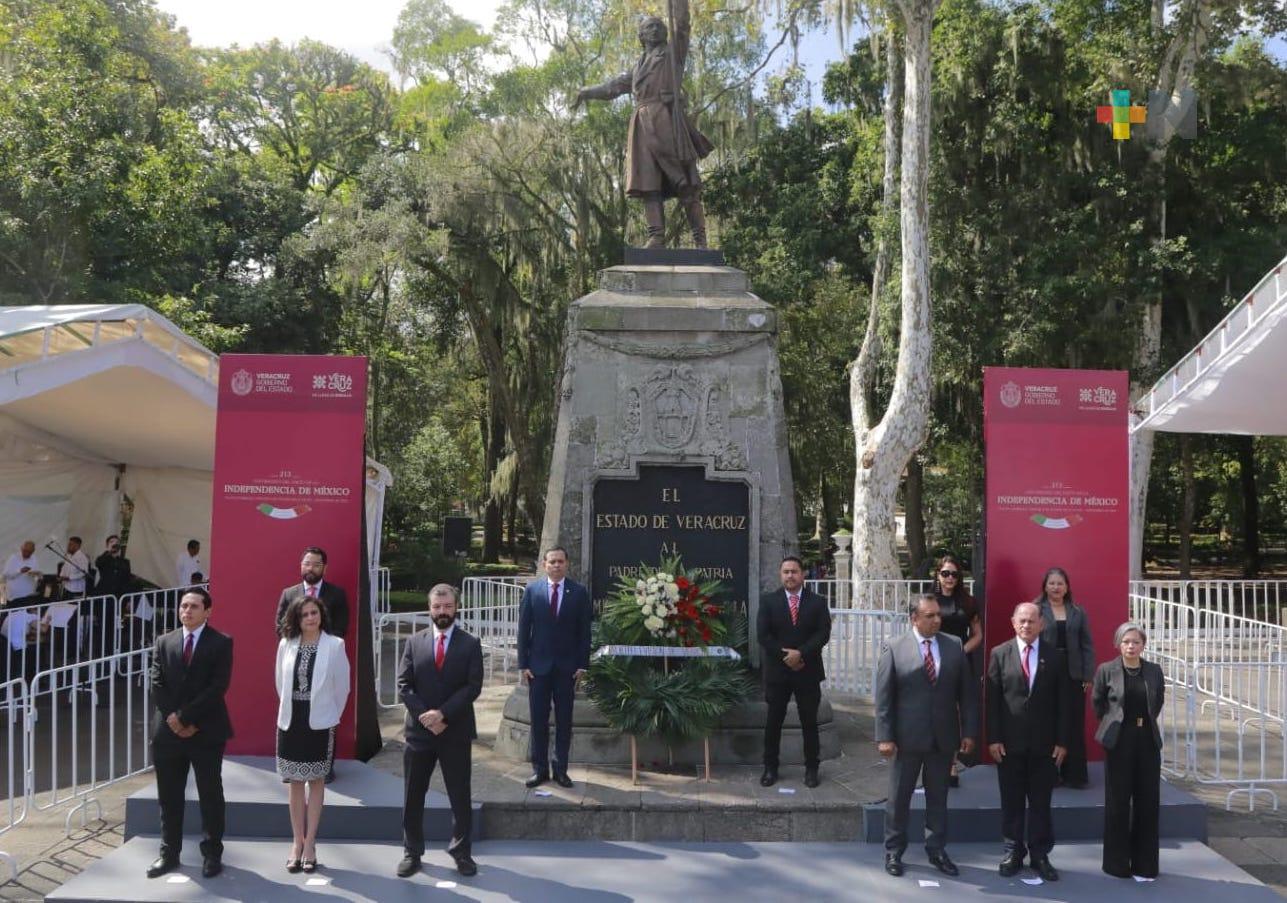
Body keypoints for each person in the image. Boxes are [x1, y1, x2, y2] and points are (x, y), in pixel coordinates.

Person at [572, 0, 714, 248]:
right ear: (641, 35)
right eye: (650, 27)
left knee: (686, 182)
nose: (657, 29)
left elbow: (682, 26)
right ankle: (656, 236)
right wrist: (585, 92)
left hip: (668, 121)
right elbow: (611, 88)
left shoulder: (672, 54)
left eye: (659, 26)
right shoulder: (636, 68)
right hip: (642, 126)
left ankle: (700, 240)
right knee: (649, 183)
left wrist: (679, 4)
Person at [875, 594, 979, 878]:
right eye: (930, 616)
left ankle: (937, 850)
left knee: (938, 798)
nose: (937, 620)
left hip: (942, 739)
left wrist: (969, 731)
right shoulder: (895, 648)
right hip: (906, 740)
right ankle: (894, 851)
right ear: (914, 619)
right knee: (899, 798)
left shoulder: (954, 645)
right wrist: (884, 736)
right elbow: (884, 698)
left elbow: (966, 695)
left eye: (938, 615)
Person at [397, 584, 483, 879]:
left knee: (460, 796)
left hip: (455, 731)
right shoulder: (414, 642)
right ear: (429, 608)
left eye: (447, 607)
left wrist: (443, 714)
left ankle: (462, 852)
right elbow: (404, 685)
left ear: (456, 607)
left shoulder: (471, 643)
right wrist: (426, 716)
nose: (442, 612)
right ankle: (412, 852)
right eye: (436, 607)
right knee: (413, 795)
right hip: (419, 734)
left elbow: (473, 686)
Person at [146, 588, 233, 879]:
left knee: (210, 795)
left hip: (205, 730)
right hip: (168, 734)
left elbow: (217, 686)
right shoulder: (164, 641)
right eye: (183, 606)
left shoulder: (221, 643)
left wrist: (186, 718)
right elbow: (157, 682)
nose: (187, 611)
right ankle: (168, 854)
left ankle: (212, 854)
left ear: (207, 611)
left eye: (194, 606)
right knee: (169, 797)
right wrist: (174, 720)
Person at [987, 601, 1069, 882]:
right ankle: (1013, 851)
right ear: (1013, 622)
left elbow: (1064, 704)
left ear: (1042, 624)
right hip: (1008, 745)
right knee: (1011, 801)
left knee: (1041, 803)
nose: (1026, 625)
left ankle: (1040, 854)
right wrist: (993, 738)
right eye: (1021, 620)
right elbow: (993, 702)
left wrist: (1062, 741)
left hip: (1045, 747)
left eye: (1032, 621)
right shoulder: (999, 654)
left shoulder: (1055, 657)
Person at [275, 595, 350, 874]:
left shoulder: (335, 645)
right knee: (294, 781)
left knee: (316, 780)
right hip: (291, 720)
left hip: (320, 721)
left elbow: (343, 687)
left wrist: (330, 715)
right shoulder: (286, 644)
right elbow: (279, 683)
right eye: (305, 614)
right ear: (297, 617)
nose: (310, 618)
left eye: (314, 613)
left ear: (321, 615)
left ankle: (311, 845)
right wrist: (293, 706)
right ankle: (297, 843)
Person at [1093, 622, 1164, 880]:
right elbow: (1098, 703)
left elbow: (1157, 702)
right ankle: (1116, 864)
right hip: (1119, 741)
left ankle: (1145, 865)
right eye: (1126, 641)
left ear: (1143, 645)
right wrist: (1114, 725)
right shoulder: (1106, 670)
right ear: (1118, 644)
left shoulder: (1154, 671)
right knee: (1118, 802)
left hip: (1147, 740)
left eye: (1136, 641)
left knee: (1148, 802)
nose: (1131, 646)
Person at [517, 547, 592, 789]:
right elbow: (523, 629)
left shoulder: (579, 593)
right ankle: (539, 770)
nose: (556, 565)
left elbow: (584, 633)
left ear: (567, 564)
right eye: (552, 561)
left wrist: (582, 665)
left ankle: (560, 770)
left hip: (567, 669)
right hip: (537, 669)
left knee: (564, 721)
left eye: (560, 561)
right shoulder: (532, 590)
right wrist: (523, 664)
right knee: (538, 720)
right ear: (544, 564)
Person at [758, 555, 832, 788]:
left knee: (809, 722)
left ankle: (812, 768)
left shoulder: (817, 602)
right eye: (786, 572)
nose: (790, 576)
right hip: (778, 673)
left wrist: (801, 654)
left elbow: (823, 634)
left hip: (807, 670)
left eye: (794, 571)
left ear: (803, 574)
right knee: (773, 722)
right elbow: (763, 635)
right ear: (781, 575)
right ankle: (770, 767)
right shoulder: (768, 602)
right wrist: (786, 657)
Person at [1036, 566, 1094, 788]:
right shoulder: (1036, 609)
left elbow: (1087, 645)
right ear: (1045, 586)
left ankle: (1075, 774)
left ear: (1067, 586)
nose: (1056, 587)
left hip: (1073, 673)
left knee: (1073, 722)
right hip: (1045, 671)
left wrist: (1087, 674)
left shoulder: (1078, 612)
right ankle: (1049, 773)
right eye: (1052, 583)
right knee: (1047, 722)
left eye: (1060, 583)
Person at [933, 554, 981, 787]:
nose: (949, 578)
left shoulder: (969, 602)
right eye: (945, 573)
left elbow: (978, 635)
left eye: (954, 574)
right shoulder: (929, 601)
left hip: (961, 661)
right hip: (934, 661)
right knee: (937, 710)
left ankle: (952, 763)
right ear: (938, 575)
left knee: (957, 713)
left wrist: (959, 652)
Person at [276, 547, 349, 641]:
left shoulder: (337, 594)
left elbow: (340, 628)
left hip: (325, 650)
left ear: (325, 568)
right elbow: (281, 626)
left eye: (316, 565)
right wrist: (300, 643)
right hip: (296, 648)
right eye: (307, 564)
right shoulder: (289, 594)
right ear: (301, 565)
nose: (310, 568)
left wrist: (319, 644)